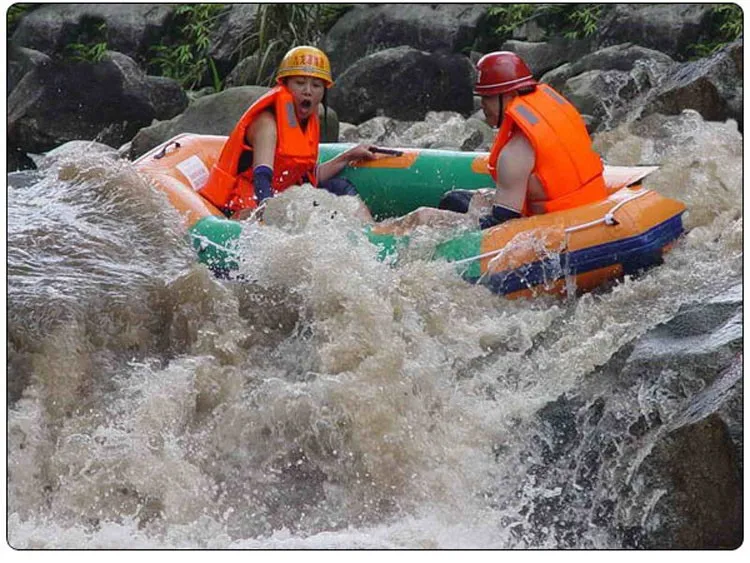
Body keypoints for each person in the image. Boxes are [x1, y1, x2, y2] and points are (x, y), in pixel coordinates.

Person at [379, 51, 607, 233]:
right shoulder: (554, 116)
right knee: (453, 199)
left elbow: (501, 228)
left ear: (508, 96)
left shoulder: (515, 153)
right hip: (589, 207)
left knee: (422, 216)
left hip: (557, 228)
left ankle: (379, 235)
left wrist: (431, 221)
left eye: (488, 97)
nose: (483, 105)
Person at [199, 45, 376, 219]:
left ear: (323, 92)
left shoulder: (307, 123)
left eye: (316, 85)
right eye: (300, 83)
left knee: (341, 187)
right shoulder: (267, 124)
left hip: (284, 196)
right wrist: (269, 211)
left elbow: (307, 177)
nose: (307, 91)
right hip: (245, 203)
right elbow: (262, 177)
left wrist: (348, 156)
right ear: (285, 85)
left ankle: (371, 233)